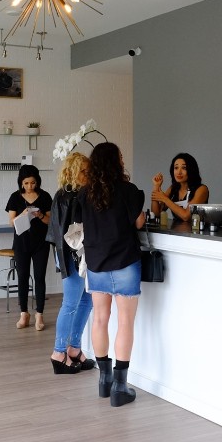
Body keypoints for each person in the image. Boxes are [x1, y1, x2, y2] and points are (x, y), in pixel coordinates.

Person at [75, 142, 146, 407]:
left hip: (96, 262)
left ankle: (103, 381)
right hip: (125, 260)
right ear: (116, 162)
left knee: (100, 320)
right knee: (125, 322)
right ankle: (120, 386)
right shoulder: (129, 191)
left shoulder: (84, 194)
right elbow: (138, 222)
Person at [46, 151, 94, 374]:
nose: (87, 175)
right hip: (72, 254)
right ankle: (58, 352)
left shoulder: (67, 195)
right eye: (83, 171)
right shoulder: (69, 195)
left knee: (86, 301)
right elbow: (67, 234)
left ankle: (74, 349)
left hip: (75, 254)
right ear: (74, 172)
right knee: (72, 303)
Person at [5, 164, 52, 331]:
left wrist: (39, 215)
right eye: (26, 183)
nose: (29, 186)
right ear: (21, 183)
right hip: (21, 243)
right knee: (22, 277)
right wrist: (22, 215)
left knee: (39, 278)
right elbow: (11, 222)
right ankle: (24, 313)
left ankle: (39, 314)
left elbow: (50, 221)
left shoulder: (45, 196)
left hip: (41, 243)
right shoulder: (15, 197)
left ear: (37, 181)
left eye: (32, 183)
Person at [151, 152, 210, 223]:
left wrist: (165, 199)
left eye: (184, 168)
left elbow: (186, 216)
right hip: (177, 232)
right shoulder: (173, 188)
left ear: (191, 170)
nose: (179, 172)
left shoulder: (201, 189)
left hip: (196, 232)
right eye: (176, 168)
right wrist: (156, 186)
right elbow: (156, 214)